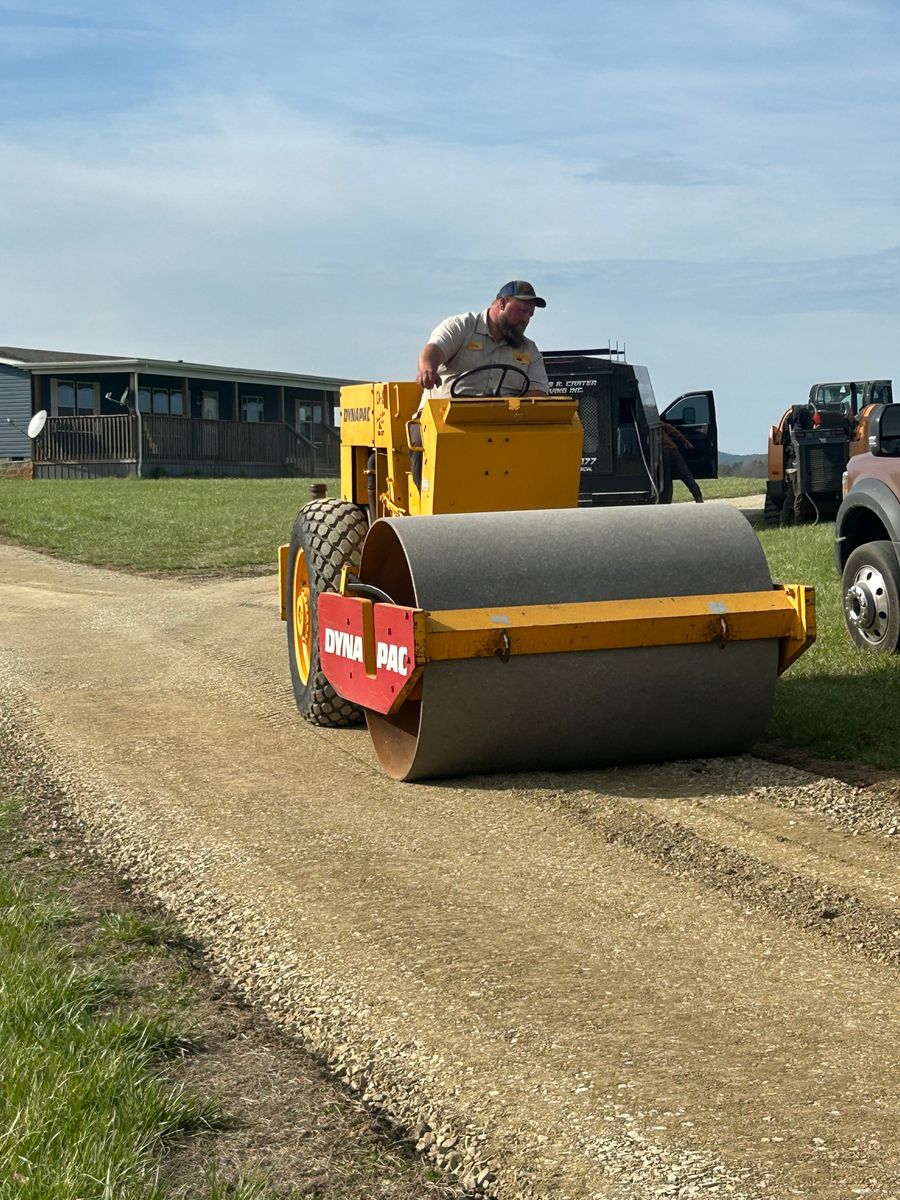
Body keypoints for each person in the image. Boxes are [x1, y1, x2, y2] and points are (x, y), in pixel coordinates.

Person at [415, 280, 550, 401]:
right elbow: (435, 349)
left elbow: (539, 392)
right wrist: (428, 369)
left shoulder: (529, 349)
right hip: (444, 419)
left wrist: (511, 410)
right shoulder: (462, 326)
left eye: (530, 315)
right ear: (502, 303)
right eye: (522, 311)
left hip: (502, 423)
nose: (526, 320)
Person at [660, 421, 703, 503]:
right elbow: (670, 429)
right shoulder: (659, 423)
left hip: (663, 453)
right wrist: (683, 439)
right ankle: (698, 496)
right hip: (672, 450)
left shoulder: (651, 423)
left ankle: (666, 502)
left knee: (667, 479)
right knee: (685, 474)